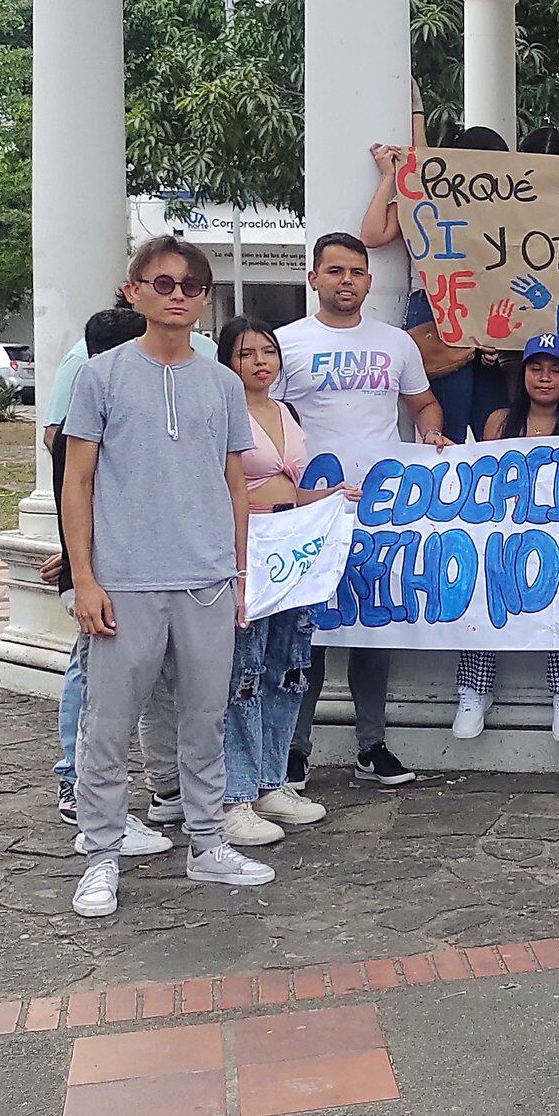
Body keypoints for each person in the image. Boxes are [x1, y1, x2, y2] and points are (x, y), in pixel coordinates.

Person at [61, 237, 270, 918]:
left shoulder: (223, 382)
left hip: (208, 578)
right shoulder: (103, 376)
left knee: (205, 719)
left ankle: (206, 843)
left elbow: (234, 479)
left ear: (205, 298)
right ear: (135, 291)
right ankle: (99, 853)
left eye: (189, 285)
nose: (177, 294)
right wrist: (84, 578)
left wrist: (239, 573)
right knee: (108, 722)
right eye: (163, 282)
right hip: (126, 579)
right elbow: (79, 479)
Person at [278, 231, 448, 790]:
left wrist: (432, 433)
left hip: (382, 505)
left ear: (369, 281)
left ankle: (372, 746)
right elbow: (263, 415)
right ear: (314, 279)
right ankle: (293, 749)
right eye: (335, 271)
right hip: (311, 507)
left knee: (373, 629)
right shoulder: (285, 344)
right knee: (308, 630)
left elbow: (421, 403)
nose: (346, 280)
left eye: (356, 271)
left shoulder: (396, 343)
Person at [44, 293, 207, 830]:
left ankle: (166, 790)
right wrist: (78, 571)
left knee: (159, 691)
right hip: (106, 579)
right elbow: (79, 497)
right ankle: (80, 791)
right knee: (95, 689)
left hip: (157, 574)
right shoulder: (84, 427)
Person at [216, 317, 343, 846]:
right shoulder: (224, 412)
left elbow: (289, 488)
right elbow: (226, 488)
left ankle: (272, 781)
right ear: (228, 360)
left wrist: (334, 498)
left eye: (268, 351)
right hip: (248, 548)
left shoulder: (286, 411)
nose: (261, 362)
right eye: (247, 354)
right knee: (244, 670)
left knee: (288, 664)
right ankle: (234, 794)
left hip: (293, 549)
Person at [451, 333, 559, 745]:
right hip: (504, 534)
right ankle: (474, 687)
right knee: (481, 589)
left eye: (555, 370)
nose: (544, 379)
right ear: (522, 373)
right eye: (536, 368)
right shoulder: (498, 421)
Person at [362, 136, 506, 445]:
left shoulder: (510, 207)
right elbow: (372, 234)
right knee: (444, 431)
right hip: (436, 311)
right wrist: (390, 177)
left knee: (496, 430)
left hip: (490, 311)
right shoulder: (426, 199)